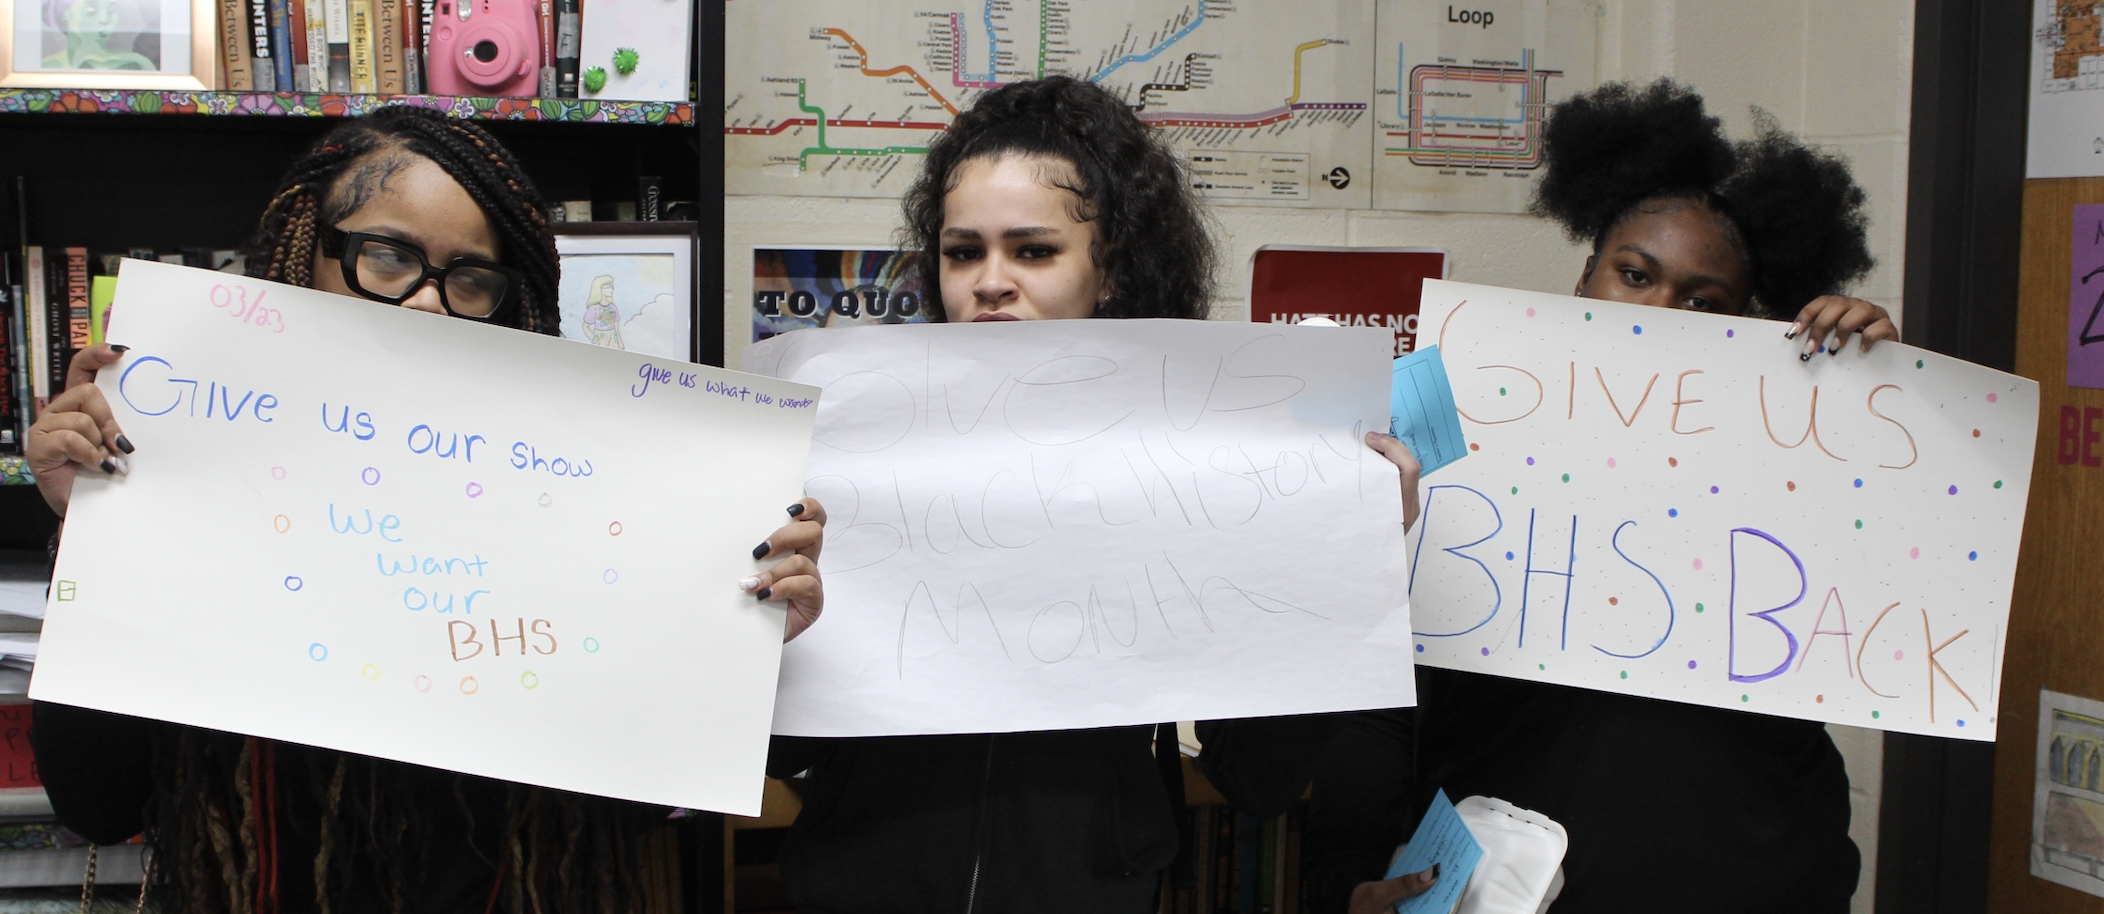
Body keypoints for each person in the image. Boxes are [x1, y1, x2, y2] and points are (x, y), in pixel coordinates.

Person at [24, 106, 826, 912]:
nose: (428, 303)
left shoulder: (571, 505)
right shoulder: (195, 483)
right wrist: (92, 531)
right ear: (307, 253)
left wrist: (738, 639)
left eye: (470, 278)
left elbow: (639, 809)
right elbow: (99, 803)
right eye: (387, 257)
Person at [764, 75, 1431, 914]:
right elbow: (780, 754)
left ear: (1109, 269)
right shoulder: (849, 445)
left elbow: (1255, 777)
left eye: (1033, 251)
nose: (990, 281)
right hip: (859, 884)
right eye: (963, 251)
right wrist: (770, 637)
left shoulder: (1190, 461)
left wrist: (1350, 564)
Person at [1304, 80, 1889, 914]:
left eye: (1702, 300)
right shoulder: (1456, 421)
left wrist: (1875, 391)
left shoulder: (1791, 451)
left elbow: (1874, 591)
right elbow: (1384, 695)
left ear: (1744, 320)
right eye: (1635, 274)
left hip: (1753, 876)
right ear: (1586, 278)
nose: (1659, 311)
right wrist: (1344, 880)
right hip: (1513, 884)